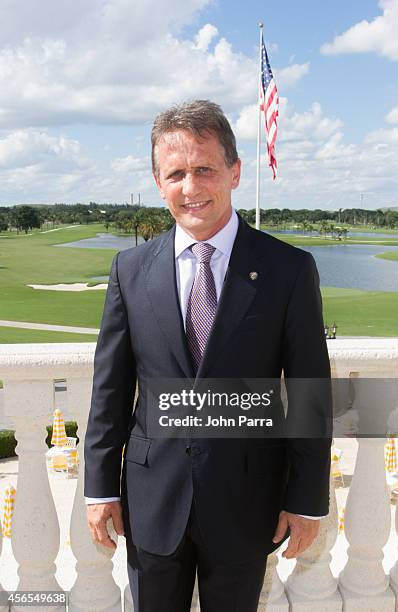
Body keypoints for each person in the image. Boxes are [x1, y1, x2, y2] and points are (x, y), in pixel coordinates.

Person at [84, 99, 332, 612]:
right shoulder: (129, 271)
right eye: (176, 173)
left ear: (234, 172)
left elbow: (309, 394)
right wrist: (98, 487)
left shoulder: (289, 270)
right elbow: (110, 389)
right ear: (158, 182)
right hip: (151, 502)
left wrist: (306, 499)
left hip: (247, 501)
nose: (191, 188)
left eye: (205, 169)